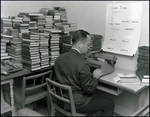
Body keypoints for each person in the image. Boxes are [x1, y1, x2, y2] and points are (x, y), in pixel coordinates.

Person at [54, 29, 115, 116]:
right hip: (76, 104)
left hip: (60, 99)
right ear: (79, 44)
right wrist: (95, 77)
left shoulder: (59, 58)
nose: (89, 47)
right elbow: (89, 90)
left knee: (96, 100)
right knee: (110, 103)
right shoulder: (83, 63)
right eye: (88, 44)